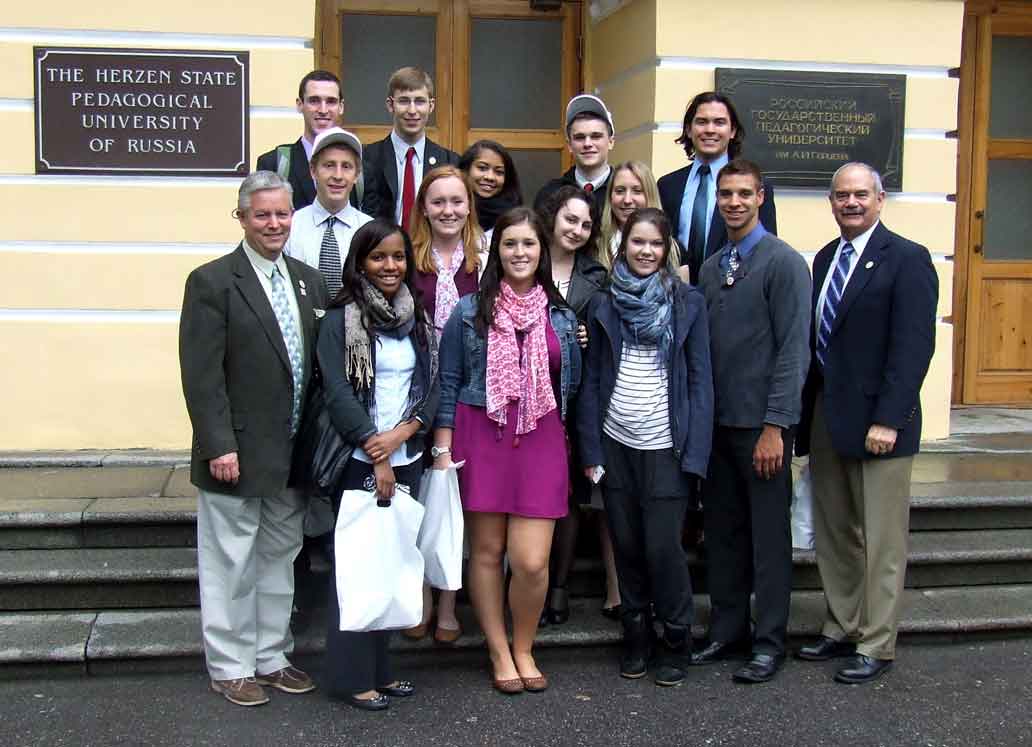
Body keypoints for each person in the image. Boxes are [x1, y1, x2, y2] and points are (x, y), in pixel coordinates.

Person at [179, 171, 328, 706]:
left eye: (282, 213)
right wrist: (218, 443)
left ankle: (271, 656)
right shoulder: (212, 282)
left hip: (291, 455)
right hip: (235, 453)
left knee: (279, 558)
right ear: (241, 217)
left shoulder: (310, 281)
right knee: (229, 562)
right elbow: (201, 374)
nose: (273, 223)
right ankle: (230, 665)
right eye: (261, 214)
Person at [795, 162, 937, 684]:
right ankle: (842, 624)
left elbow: (914, 346)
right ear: (831, 203)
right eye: (841, 196)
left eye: (860, 195)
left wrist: (889, 419)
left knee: (881, 538)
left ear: (880, 200)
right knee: (834, 532)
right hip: (829, 418)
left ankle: (877, 642)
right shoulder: (826, 259)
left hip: (881, 426)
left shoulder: (907, 259)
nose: (850, 203)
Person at [433, 206, 582, 694]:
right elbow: (450, 381)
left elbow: (574, 386)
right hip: (482, 434)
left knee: (532, 561)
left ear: (543, 250)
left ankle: (524, 644)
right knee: (487, 551)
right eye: (511, 244)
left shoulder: (561, 316)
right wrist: (442, 447)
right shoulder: (467, 310)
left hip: (541, 436)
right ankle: (499, 650)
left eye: (529, 244)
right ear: (497, 252)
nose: (520, 252)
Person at [577, 207, 713, 687]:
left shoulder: (688, 303)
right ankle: (635, 635)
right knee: (628, 545)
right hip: (616, 445)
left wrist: (695, 454)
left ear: (666, 249)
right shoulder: (602, 305)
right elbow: (591, 381)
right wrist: (591, 451)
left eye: (655, 244)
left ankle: (676, 636)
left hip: (666, 448)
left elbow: (700, 380)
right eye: (637, 242)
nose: (646, 251)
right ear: (622, 245)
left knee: (662, 548)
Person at [693, 159, 811, 684]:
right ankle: (727, 629)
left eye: (744, 193)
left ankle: (768, 642)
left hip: (761, 429)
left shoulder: (784, 263)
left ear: (761, 197)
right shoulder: (712, 266)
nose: (734, 202)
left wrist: (776, 427)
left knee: (767, 539)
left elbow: (793, 351)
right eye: (726, 194)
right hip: (715, 427)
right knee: (723, 535)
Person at [318, 219, 440, 711]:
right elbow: (338, 393)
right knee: (357, 568)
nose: (390, 267)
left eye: (398, 257)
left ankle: (380, 671)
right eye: (378, 257)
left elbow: (433, 386)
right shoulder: (340, 320)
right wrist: (377, 449)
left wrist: (407, 433)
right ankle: (350, 676)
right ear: (360, 263)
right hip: (359, 459)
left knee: (391, 564)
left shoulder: (418, 317)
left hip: (407, 455)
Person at [404, 165, 486, 643]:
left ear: (468, 206)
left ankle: (450, 599)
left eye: (457, 201)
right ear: (424, 209)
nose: (449, 210)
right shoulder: (409, 257)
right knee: (419, 497)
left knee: (457, 500)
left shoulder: (486, 258)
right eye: (438, 202)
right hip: (416, 391)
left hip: (471, 393)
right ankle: (420, 593)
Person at [536, 185, 621, 625]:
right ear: (551, 217)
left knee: (568, 495)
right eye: (570, 219)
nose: (578, 229)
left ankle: (559, 587)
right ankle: (529, 583)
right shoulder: (527, 258)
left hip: (575, 396)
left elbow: (604, 338)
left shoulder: (596, 276)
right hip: (529, 394)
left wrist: (581, 338)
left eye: (586, 224)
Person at [657, 92, 778, 284]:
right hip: (677, 297)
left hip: (732, 296)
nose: (710, 130)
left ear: (732, 131)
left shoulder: (755, 187)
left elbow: (767, 252)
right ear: (689, 129)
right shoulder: (667, 186)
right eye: (702, 122)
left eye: (719, 122)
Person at [361, 67, 460, 229]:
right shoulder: (368, 158)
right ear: (390, 105)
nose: (412, 110)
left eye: (420, 101)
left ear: (431, 106)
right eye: (404, 101)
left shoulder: (449, 162)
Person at [256, 70, 346, 210]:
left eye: (331, 101)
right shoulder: (273, 164)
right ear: (299, 104)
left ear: (341, 107)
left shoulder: (362, 169)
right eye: (314, 101)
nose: (323, 110)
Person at [533, 94, 615, 217]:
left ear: (610, 142)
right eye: (579, 137)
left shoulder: (624, 194)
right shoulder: (550, 195)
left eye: (596, 136)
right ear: (569, 145)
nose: (588, 144)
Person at [598, 161, 683, 275]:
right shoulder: (595, 247)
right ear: (610, 197)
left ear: (650, 195)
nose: (627, 200)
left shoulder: (674, 251)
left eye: (637, 191)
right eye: (620, 191)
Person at [458, 139, 523, 237]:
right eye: (482, 168)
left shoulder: (516, 220)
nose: (490, 177)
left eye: (499, 172)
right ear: (466, 170)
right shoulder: (452, 212)